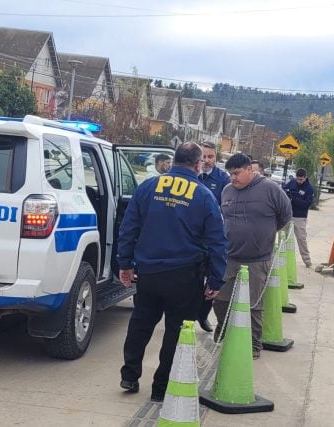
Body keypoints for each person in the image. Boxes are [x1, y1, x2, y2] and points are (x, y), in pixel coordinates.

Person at [118, 142, 228, 402]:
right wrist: (215, 278)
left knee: (140, 324)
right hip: (184, 276)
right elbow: (217, 241)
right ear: (198, 164)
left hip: (149, 273)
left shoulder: (148, 187)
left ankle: (130, 375)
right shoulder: (203, 195)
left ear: (174, 160)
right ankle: (160, 389)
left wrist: (124, 263)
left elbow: (128, 227)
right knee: (176, 333)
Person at [213, 153, 292, 359]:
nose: (233, 178)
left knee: (253, 305)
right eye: (230, 174)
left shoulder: (270, 189)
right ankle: (225, 330)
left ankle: (253, 345)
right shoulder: (227, 191)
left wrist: (264, 234)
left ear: (250, 170)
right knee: (220, 299)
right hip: (230, 256)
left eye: (237, 173)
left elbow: (285, 216)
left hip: (258, 258)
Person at [196, 141, 230, 333]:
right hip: (192, 237)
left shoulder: (223, 179)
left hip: (212, 239)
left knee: (213, 279)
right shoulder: (193, 176)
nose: (207, 161)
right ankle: (188, 314)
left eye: (211, 157)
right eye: (204, 157)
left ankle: (203, 313)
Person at [283, 168, 314, 267]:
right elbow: (283, 192)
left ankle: (307, 261)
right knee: (283, 236)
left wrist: (293, 199)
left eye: (301, 179)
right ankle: (280, 256)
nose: (299, 181)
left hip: (300, 217)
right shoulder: (291, 183)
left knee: (301, 238)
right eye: (298, 179)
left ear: (305, 178)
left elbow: (306, 204)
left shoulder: (309, 188)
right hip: (288, 215)